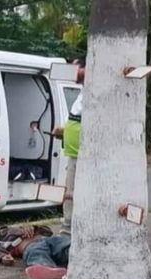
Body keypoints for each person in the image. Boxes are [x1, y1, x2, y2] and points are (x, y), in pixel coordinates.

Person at [52, 57, 85, 235]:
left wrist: (75, 71)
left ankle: (69, 229)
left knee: (73, 193)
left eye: (75, 68)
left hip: (83, 154)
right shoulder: (82, 92)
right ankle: (67, 227)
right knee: (69, 193)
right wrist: (64, 131)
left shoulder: (94, 87)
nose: (73, 74)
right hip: (73, 152)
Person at [0, 225, 70, 279]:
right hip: (31, 246)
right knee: (36, 254)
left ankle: (79, 256)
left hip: (48, 239)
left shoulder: (6, 231)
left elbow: (48, 231)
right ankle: (49, 270)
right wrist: (2, 257)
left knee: (65, 245)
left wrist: (33, 227)